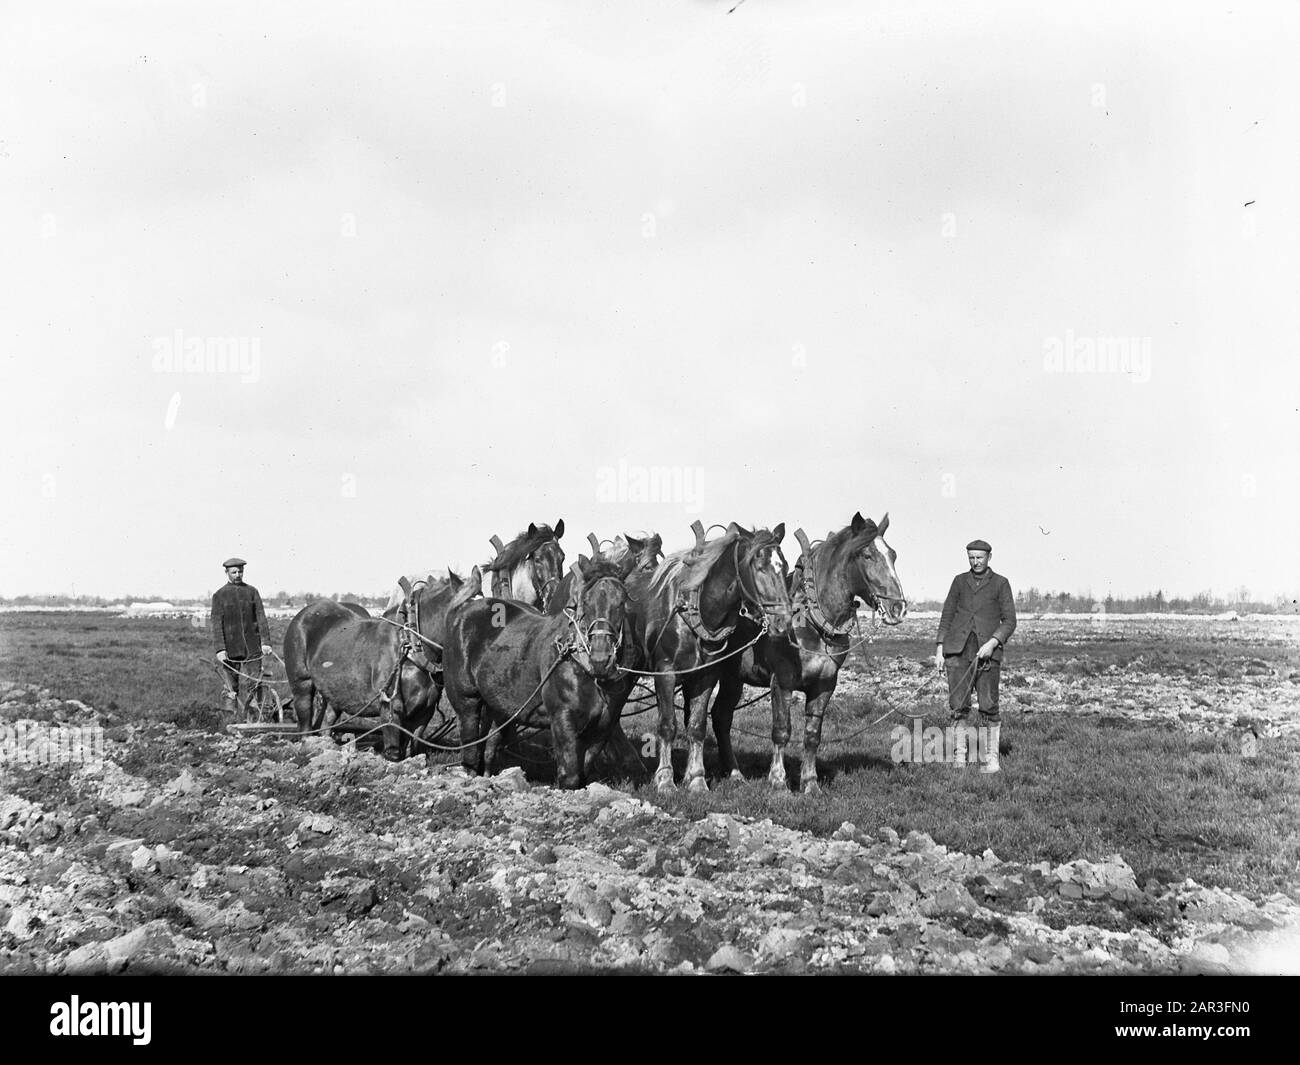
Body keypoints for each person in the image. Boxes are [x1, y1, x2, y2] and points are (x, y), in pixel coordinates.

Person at [934, 539, 1017, 773]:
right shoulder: (959, 582)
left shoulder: (1001, 584)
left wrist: (993, 642)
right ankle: (959, 758)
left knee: (989, 706)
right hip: (957, 653)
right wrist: (940, 649)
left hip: (987, 654)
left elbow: (1010, 621)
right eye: (971, 557)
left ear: (989, 557)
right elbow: (947, 615)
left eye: (980, 557)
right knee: (957, 706)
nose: (975, 561)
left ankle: (991, 760)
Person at [211, 557, 273, 713]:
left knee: (255, 682)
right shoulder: (219, 595)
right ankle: (229, 719)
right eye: (234, 572)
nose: (238, 574)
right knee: (230, 686)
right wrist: (220, 649)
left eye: (240, 571)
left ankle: (256, 715)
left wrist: (266, 642)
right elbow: (217, 625)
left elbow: (261, 618)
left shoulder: (252, 592)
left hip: (253, 647)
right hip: (231, 649)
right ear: (227, 573)